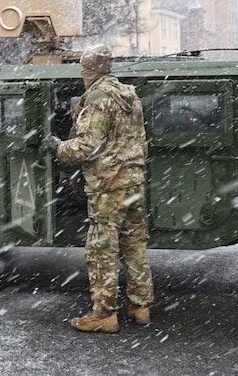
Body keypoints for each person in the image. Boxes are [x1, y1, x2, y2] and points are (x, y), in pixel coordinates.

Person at [41, 44, 154, 333]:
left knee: (102, 250)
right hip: (134, 182)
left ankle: (105, 314)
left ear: (87, 71)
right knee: (134, 247)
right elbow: (137, 139)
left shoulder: (98, 98)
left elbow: (85, 147)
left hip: (108, 187)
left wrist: (58, 147)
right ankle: (140, 307)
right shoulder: (130, 95)